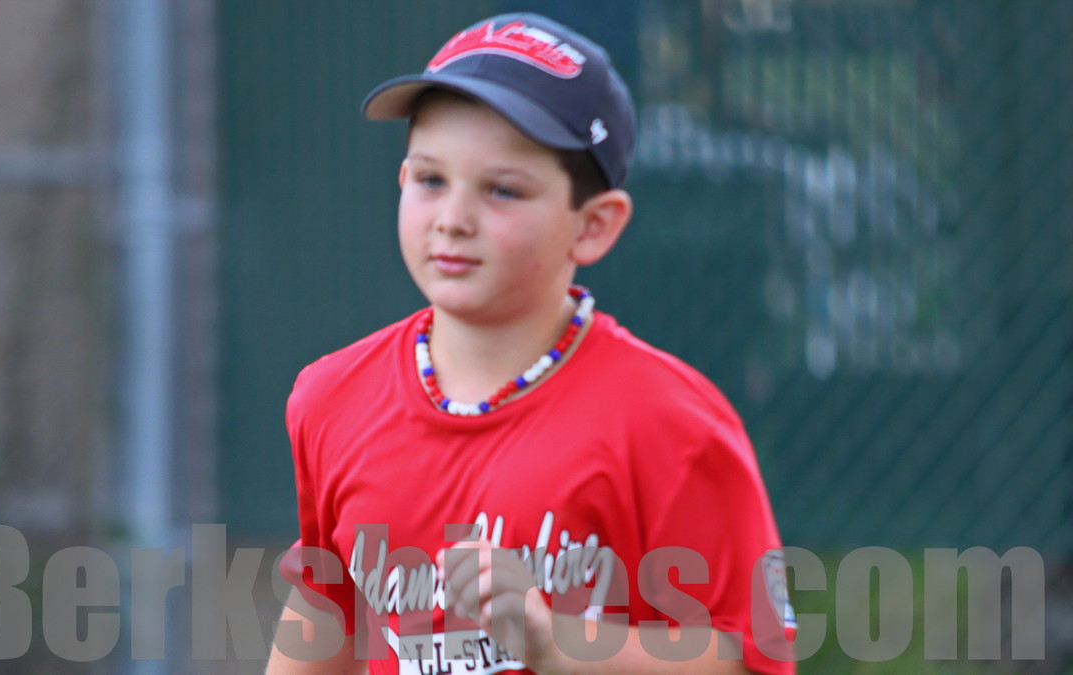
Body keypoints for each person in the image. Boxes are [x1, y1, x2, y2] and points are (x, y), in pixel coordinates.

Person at [266, 12, 796, 675]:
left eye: (502, 190)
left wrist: (555, 644)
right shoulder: (331, 397)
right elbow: (328, 606)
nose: (453, 219)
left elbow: (750, 656)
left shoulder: (670, 421)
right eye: (431, 180)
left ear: (594, 226)